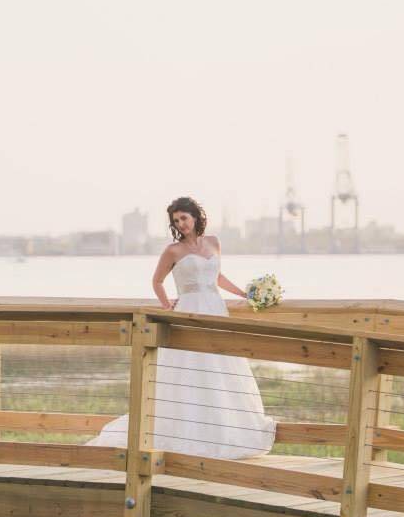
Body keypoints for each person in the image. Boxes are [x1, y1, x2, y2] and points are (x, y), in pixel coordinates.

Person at [86, 196, 276, 459]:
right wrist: (167, 305)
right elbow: (157, 281)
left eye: (184, 218)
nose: (181, 224)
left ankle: (222, 433)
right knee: (190, 369)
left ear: (195, 217)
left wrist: (244, 294)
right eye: (176, 221)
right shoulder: (172, 251)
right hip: (189, 309)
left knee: (220, 368)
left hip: (216, 309)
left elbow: (217, 276)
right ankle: (185, 435)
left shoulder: (214, 242)